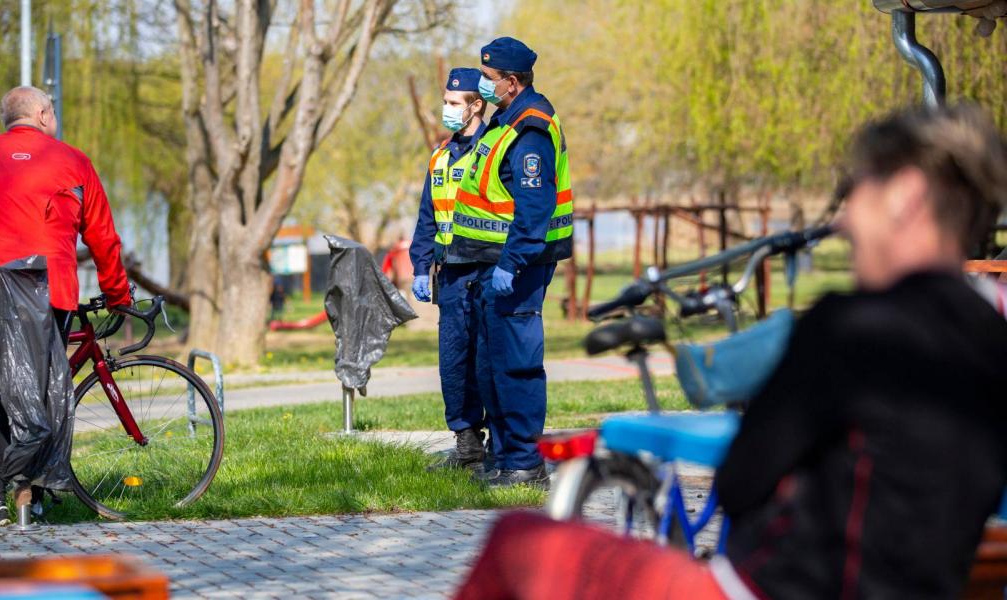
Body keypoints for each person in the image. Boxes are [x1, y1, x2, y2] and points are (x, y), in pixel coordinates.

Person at [455, 103, 1007, 598]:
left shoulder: (853, 328)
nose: (843, 220)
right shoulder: (990, 333)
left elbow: (741, 482)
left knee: (516, 537)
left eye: (855, 190)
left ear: (905, 195)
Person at [0, 86, 132, 527]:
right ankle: (32, 498)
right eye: (52, 113)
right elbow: (103, 237)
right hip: (53, 292)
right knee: (44, 390)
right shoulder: (74, 162)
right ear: (41, 114)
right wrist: (118, 294)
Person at [445, 37, 573, 487]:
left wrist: (513, 262)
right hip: (492, 265)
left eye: (491, 79)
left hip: (519, 266)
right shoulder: (507, 118)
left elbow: (534, 207)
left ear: (512, 82)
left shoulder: (531, 129)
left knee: (516, 363)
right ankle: (503, 456)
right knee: (491, 362)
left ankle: (525, 462)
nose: (485, 85)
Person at [408, 68, 490, 472]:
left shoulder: (493, 149)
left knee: (489, 358)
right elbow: (427, 217)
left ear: (477, 105)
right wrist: (421, 266)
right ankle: (468, 445)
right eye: (446, 101)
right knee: (454, 360)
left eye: (455, 103)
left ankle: (507, 446)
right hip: (452, 274)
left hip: (489, 270)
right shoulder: (440, 156)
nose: (447, 109)